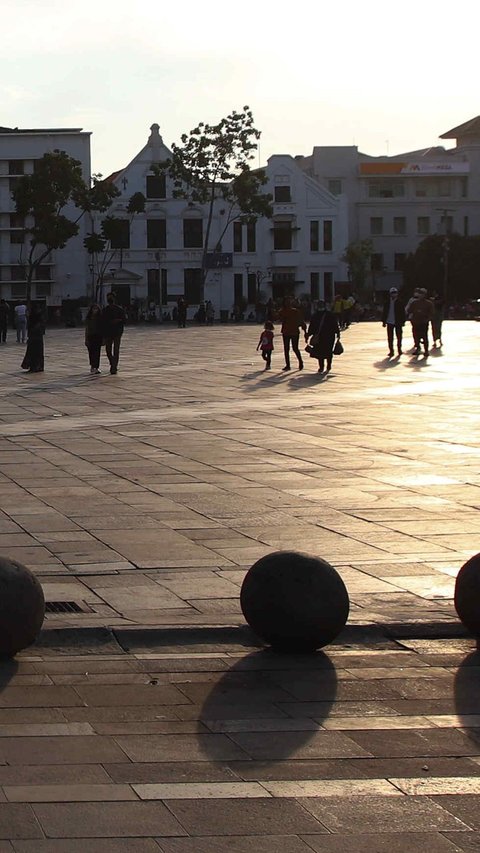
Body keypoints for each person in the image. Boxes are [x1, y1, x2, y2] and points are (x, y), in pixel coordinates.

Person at [306, 300, 340, 373]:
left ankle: (321, 367)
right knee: (328, 351)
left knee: (320, 352)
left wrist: (308, 334)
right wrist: (338, 333)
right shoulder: (330, 314)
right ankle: (328, 365)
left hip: (320, 336)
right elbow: (335, 325)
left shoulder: (315, 315)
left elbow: (312, 327)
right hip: (329, 336)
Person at [277, 296, 306, 371]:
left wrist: (305, 330)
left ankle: (300, 362)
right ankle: (288, 365)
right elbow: (278, 318)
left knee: (294, 348)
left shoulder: (295, 311)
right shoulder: (283, 311)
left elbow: (301, 321)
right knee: (287, 349)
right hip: (287, 331)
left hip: (293, 331)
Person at [102, 292, 125, 375]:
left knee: (116, 350)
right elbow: (103, 322)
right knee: (108, 350)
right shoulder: (105, 310)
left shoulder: (119, 310)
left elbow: (124, 320)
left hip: (117, 332)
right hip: (108, 333)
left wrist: (118, 321)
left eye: (111, 298)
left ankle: (114, 367)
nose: (110, 299)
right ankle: (112, 362)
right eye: (108, 298)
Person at [408, 287, 434, 356]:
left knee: (424, 336)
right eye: (420, 294)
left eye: (422, 294)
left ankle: (426, 350)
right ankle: (418, 348)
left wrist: (427, 319)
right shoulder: (414, 302)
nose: (421, 295)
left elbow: (431, 313)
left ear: (425, 295)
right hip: (415, 322)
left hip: (424, 322)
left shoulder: (429, 303)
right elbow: (409, 310)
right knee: (416, 336)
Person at [382, 287, 405, 357]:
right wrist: (383, 321)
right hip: (389, 321)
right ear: (390, 294)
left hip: (398, 322)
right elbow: (384, 312)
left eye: (395, 293)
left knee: (399, 336)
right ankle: (391, 350)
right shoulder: (387, 302)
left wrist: (403, 321)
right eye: (392, 293)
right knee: (390, 337)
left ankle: (399, 349)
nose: (394, 294)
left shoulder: (400, 302)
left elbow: (402, 312)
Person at [21, 306, 45, 372]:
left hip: (35, 338)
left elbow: (33, 328)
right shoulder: (37, 318)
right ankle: (37, 366)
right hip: (37, 338)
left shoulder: (35, 319)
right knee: (36, 353)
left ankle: (36, 366)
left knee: (34, 352)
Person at [84, 303, 103, 374]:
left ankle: (96, 367)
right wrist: (86, 339)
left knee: (97, 352)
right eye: (94, 309)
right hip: (90, 336)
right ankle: (92, 366)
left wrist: (103, 338)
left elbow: (102, 329)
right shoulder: (89, 318)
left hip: (98, 336)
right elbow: (87, 329)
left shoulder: (100, 318)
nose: (95, 310)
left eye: (96, 309)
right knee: (91, 352)